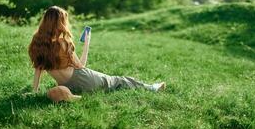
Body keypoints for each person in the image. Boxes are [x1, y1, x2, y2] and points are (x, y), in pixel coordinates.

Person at [28, 6, 166, 102]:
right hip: (83, 79)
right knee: (119, 80)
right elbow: (81, 65)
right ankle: (152, 88)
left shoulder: (37, 43)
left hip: (70, 87)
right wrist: (87, 44)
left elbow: (38, 69)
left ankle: (72, 97)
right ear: (59, 23)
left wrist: (34, 90)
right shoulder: (63, 43)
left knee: (114, 85)